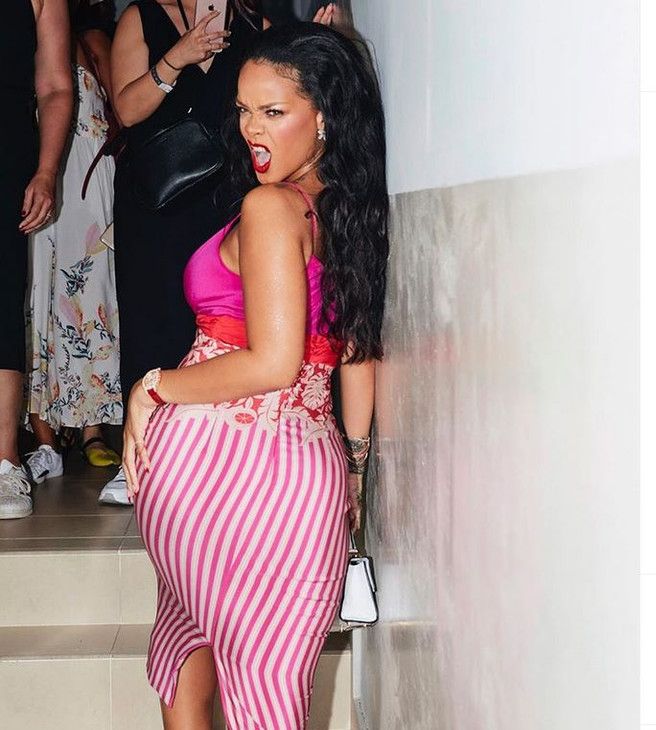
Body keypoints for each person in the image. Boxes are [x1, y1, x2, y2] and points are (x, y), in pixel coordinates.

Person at [121, 23, 387, 728]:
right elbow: (356, 354)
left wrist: (152, 387)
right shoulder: (350, 210)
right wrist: (354, 470)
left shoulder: (271, 207)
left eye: (273, 111)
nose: (249, 129)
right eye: (243, 109)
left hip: (222, 468)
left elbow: (271, 363)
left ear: (325, 116)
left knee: (201, 646)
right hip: (303, 469)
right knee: (252, 678)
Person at [100, 0, 267, 504]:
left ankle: (218, 451)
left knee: (225, 320)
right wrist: (177, 57)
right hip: (157, 202)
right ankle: (142, 454)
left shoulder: (250, 21)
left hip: (229, 198)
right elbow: (127, 110)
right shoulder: (142, 16)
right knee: (154, 317)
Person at [24, 0, 124, 486]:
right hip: (34, 172)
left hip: (86, 180)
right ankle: (44, 436)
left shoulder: (93, 41)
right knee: (34, 297)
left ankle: (92, 429)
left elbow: (119, 109)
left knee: (88, 295)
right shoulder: (25, 33)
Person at [0, 0, 74, 520]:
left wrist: (46, 171)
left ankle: (4, 462)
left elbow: (54, 86)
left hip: (6, 152)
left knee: (2, 298)